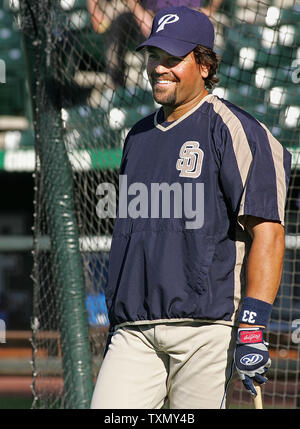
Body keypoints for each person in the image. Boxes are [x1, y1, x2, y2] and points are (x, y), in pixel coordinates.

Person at [90, 6, 291, 409]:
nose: (158, 68)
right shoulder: (137, 136)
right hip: (135, 333)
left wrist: (252, 327)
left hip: (207, 329)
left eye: (173, 59)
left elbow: (267, 232)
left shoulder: (237, 129)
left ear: (204, 64)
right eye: (153, 57)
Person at [87, 0, 223, 88]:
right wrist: (140, 15)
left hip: (192, 14)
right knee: (120, 24)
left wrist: (210, 10)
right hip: (154, 16)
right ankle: (117, 87)